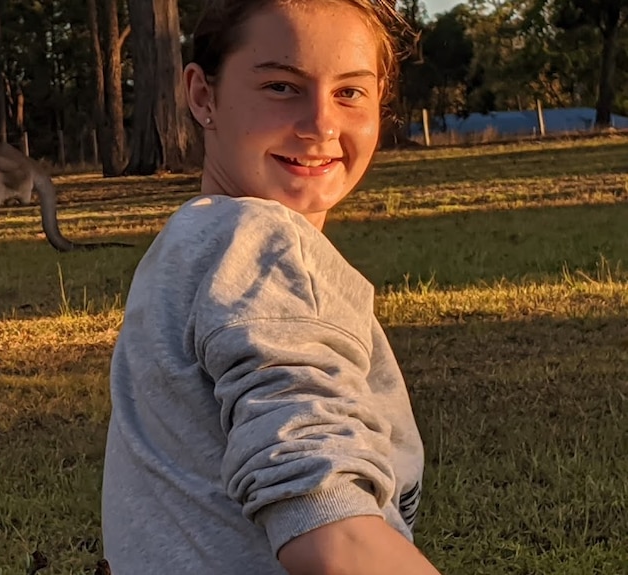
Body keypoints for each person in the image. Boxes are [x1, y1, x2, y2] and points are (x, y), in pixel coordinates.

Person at [101, 1, 442, 573]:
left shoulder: (196, 240)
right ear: (202, 95)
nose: (322, 124)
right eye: (282, 86)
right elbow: (329, 531)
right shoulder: (259, 245)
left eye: (350, 92)